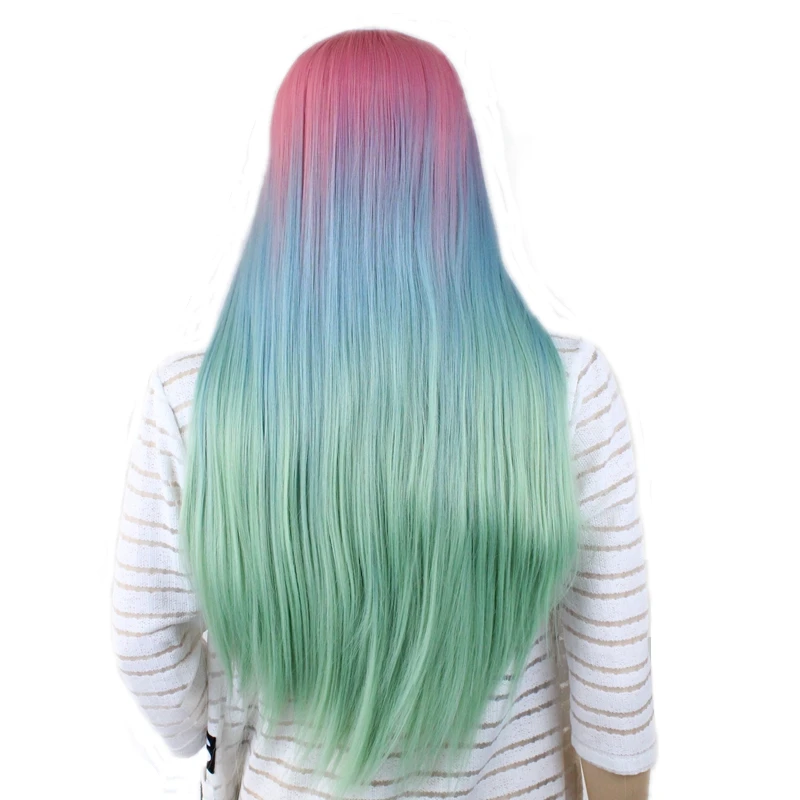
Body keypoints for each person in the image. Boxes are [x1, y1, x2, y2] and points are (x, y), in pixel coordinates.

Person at [109, 28, 656, 800]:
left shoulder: (195, 405)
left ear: (292, 181)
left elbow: (143, 642)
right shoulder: (569, 392)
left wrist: (215, 725)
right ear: (455, 177)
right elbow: (615, 688)